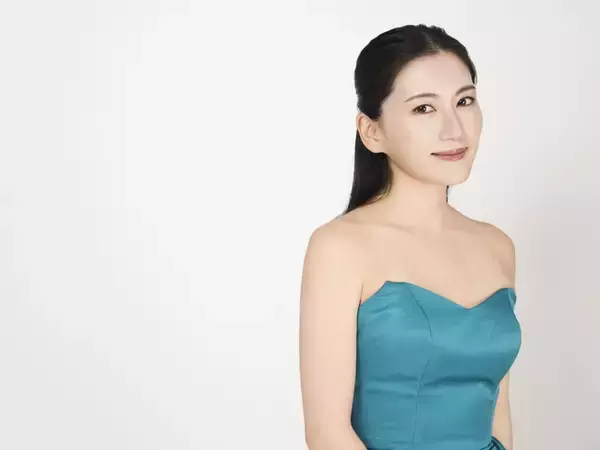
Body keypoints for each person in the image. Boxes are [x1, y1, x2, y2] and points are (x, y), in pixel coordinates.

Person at [299, 24, 522, 450]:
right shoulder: (340, 247)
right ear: (372, 131)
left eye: (465, 101)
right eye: (424, 108)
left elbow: (499, 416)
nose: (455, 129)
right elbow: (327, 433)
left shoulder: (497, 247)